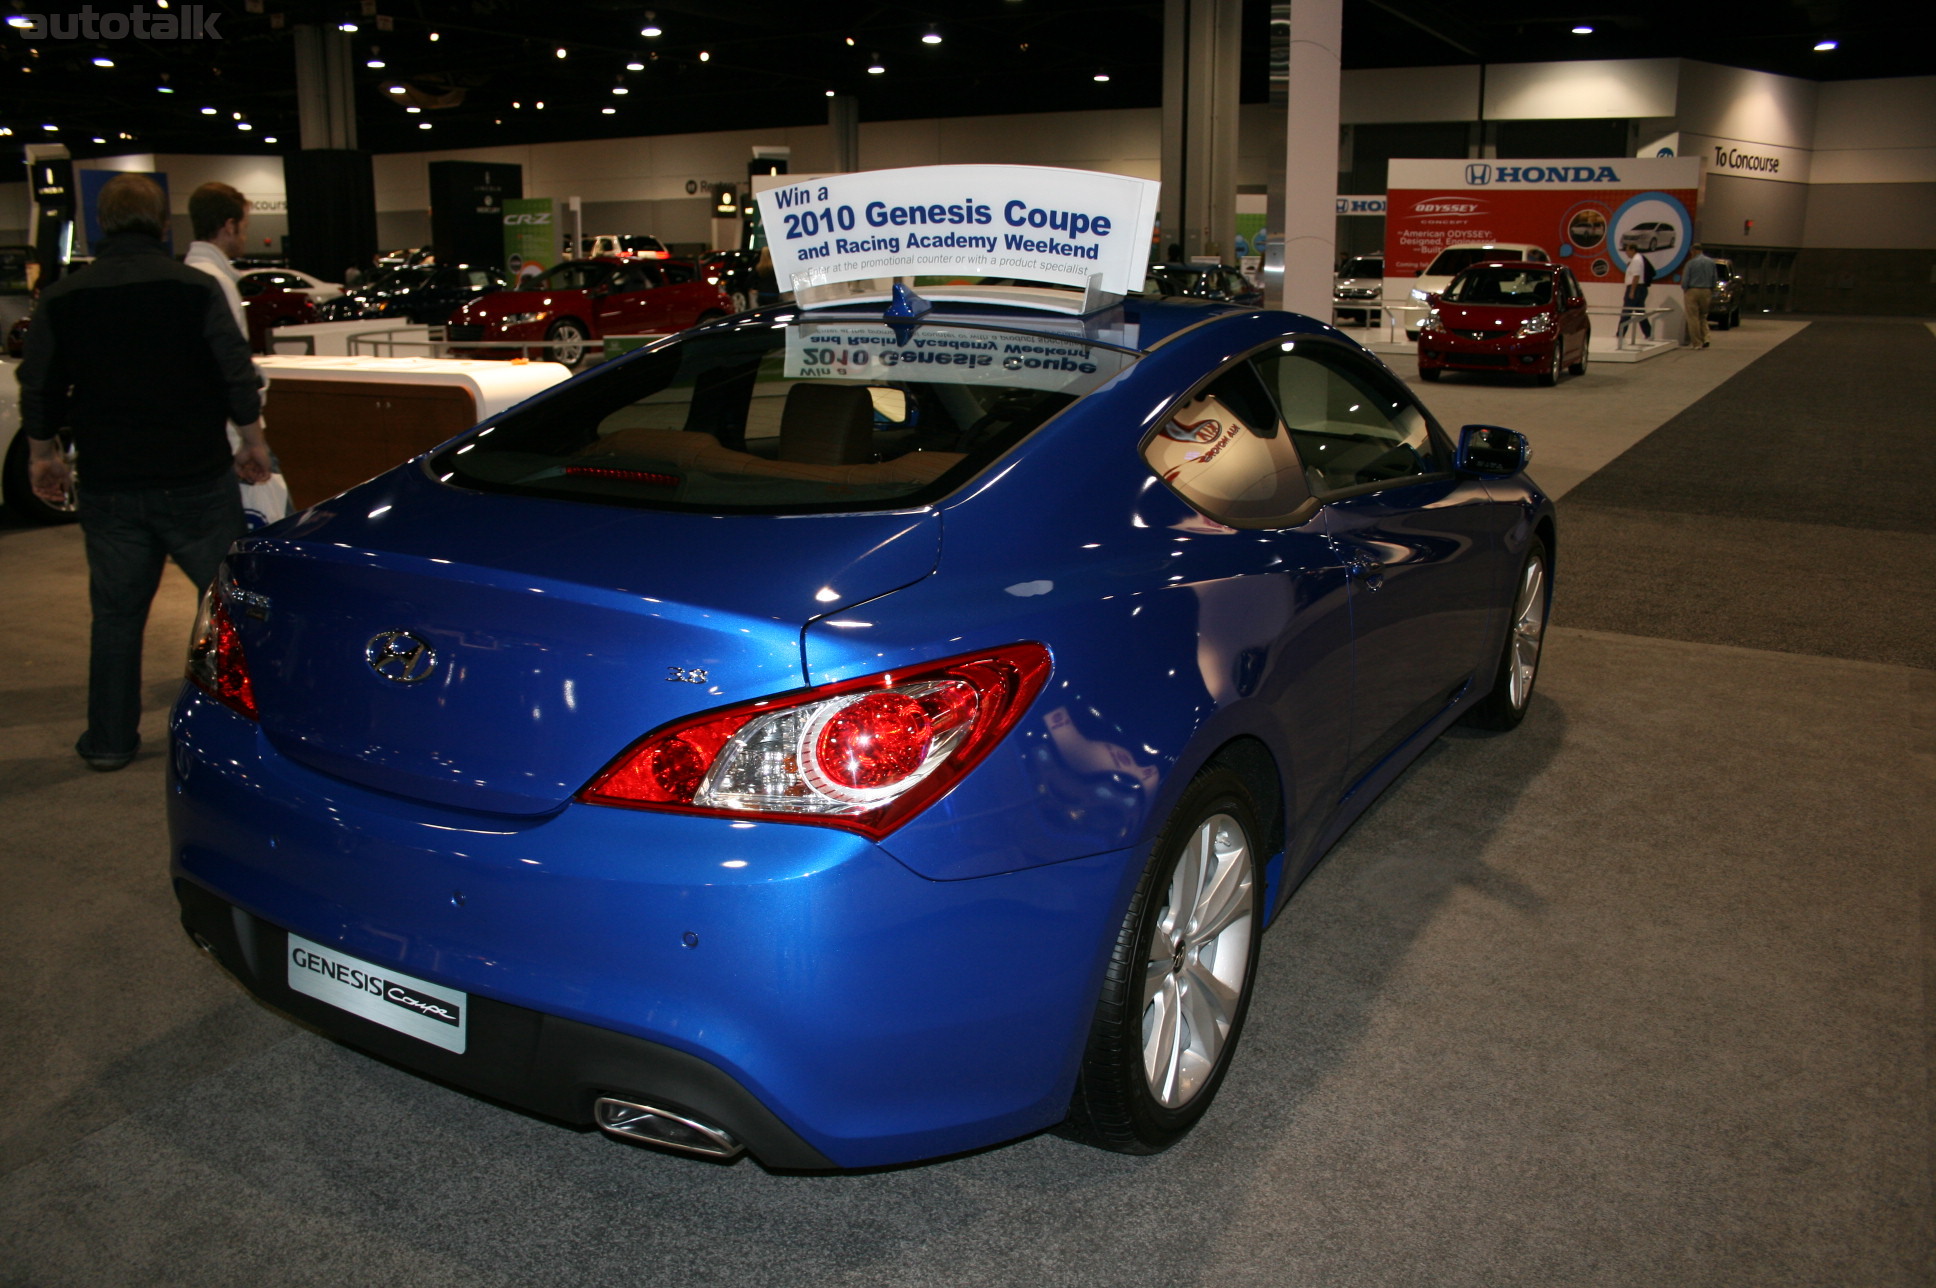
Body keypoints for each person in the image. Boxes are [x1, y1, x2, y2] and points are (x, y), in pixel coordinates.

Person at [16, 172, 270, 771]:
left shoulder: (63, 297)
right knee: (236, 608)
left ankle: (109, 741)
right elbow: (233, 371)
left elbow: (40, 384)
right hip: (196, 480)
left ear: (102, 225)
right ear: (162, 226)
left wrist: (42, 454)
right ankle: (270, 730)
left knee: (116, 618)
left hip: (109, 486)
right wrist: (253, 441)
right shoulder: (191, 289)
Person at [183, 181, 250, 335]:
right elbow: (232, 353)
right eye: (245, 227)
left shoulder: (183, 276)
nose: (245, 238)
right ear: (230, 226)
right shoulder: (219, 284)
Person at [1682, 243, 1719, 349]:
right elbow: (1714, 278)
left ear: (1693, 251)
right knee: (1703, 316)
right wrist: (1711, 289)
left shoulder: (1690, 263)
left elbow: (1685, 280)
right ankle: (1706, 338)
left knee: (1693, 318)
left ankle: (1697, 343)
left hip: (1692, 290)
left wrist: (1685, 289)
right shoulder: (1711, 262)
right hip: (1707, 291)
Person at [1620, 250, 1655, 343]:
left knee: (1626, 312)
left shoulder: (1636, 260)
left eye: (1627, 250)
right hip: (1640, 289)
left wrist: (1632, 291)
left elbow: (1636, 277)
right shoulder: (1639, 259)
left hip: (1635, 288)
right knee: (1640, 313)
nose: (1626, 253)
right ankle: (1648, 333)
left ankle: (1620, 333)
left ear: (1632, 250)